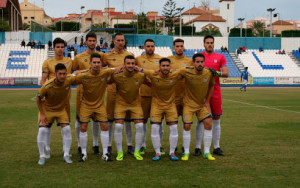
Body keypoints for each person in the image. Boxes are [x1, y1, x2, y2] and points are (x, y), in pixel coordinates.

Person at [74, 53, 115, 162]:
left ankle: (105, 153)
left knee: (105, 126)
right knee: (83, 127)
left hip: (100, 105)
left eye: (98, 62)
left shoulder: (105, 72)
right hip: (86, 105)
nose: (96, 64)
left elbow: (118, 68)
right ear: (90, 63)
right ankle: (83, 153)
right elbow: (70, 79)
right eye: (94, 62)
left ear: (101, 63)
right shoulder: (83, 75)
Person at [141, 58, 181, 161]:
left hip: (170, 105)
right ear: (159, 67)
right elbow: (141, 70)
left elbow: (187, 70)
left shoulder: (175, 75)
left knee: (174, 128)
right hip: (156, 105)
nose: (165, 68)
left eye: (167, 66)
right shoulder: (152, 74)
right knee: (155, 128)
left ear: (170, 67)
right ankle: (157, 152)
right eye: (163, 66)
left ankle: (172, 152)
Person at [72, 32, 104, 156]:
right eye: (89, 40)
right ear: (85, 42)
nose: (91, 43)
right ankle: (80, 145)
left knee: (96, 120)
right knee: (79, 120)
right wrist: (82, 71)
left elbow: (106, 69)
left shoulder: (101, 56)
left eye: (93, 40)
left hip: (97, 93)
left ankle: (95, 144)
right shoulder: (79, 57)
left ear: (96, 42)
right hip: (82, 93)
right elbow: (72, 71)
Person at [179, 53, 216, 161]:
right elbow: (173, 75)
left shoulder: (208, 73)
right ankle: (186, 153)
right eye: (197, 62)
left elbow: (212, 86)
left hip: (201, 105)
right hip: (188, 105)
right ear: (193, 63)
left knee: (209, 123)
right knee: (187, 126)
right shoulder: (186, 71)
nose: (200, 64)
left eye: (201, 62)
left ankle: (206, 152)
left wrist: (207, 101)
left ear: (204, 62)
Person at [102, 33, 134, 155]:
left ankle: (130, 145)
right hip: (112, 90)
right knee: (110, 119)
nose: (121, 42)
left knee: (127, 119)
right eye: (118, 40)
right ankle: (109, 145)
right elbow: (102, 71)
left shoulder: (130, 55)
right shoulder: (107, 56)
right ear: (113, 41)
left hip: (127, 91)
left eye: (122, 40)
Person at [36, 63, 74, 165]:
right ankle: (42, 156)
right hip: (47, 110)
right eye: (60, 74)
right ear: (55, 74)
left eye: (64, 74)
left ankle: (66, 154)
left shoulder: (68, 80)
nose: (62, 76)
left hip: (61, 110)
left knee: (67, 129)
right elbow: (38, 98)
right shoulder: (47, 85)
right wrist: (42, 114)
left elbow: (78, 74)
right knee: (43, 130)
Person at [110, 55, 146, 161]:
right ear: (124, 65)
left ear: (135, 65)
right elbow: (105, 79)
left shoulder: (140, 75)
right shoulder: (117, 76)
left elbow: (152, 78)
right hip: (121, 104)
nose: (130, 65)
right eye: (128, 63)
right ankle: (120, 152)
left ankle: (137, 151)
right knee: (118, 127)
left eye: (132, 63)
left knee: (139, 126)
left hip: (135, 104)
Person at [41, 38, 72, 155]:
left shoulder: (69, 61)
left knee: (66, 124)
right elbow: (44, 80)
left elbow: (73, 76)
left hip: (65, 98)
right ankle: (47, 148)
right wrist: (43, 96)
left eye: (62, 47)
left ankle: (66, 150)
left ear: (64, 48)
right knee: (47, 125)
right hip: (51, 98)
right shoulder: (47, 62)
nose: (60, 49)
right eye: (58, 47)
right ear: (53, 48)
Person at [200, 35, 228, 156]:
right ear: (204, 44)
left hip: (215, 93)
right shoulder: (200, 57)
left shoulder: (220, 57)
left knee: (216, 120)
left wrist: (216, 72)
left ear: (214, 44)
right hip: (201, 93)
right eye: (207, 43)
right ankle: (198, 147)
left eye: (211, 42)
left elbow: (226, 73)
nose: (209, 44)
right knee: (201, 120)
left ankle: (216, 147)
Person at [136, 39, 162, 155]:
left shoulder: (160, 59)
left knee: (159, 121)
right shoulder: (138, 59)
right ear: (144, 47)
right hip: (144, 94)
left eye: (152, 46)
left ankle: (160, 145)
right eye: (148, 46)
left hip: (157, 95)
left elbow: (160, 73)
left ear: (154, 47)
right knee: (143, 121)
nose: (150, 48)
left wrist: (146, 72)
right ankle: (142, 145)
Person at [167, 38, 193, 154]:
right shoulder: (168, 60)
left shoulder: (190, 61)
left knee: (186, 123)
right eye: (177, 46)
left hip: (185, 97)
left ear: (184, 47)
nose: (179, 48)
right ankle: (174, 145)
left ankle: (184, 145)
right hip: (172, 97)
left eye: (181, 46)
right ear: (174, 48)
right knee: (173, 124)